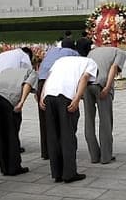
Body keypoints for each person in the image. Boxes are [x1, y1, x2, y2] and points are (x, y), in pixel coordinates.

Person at [39, 55, 97, 183]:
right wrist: (77, 98)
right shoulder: (90, 62)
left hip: (49, 96)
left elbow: (49, 77)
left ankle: (57, 173)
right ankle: (69, 173)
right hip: (66, 97)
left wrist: (42, 95)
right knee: (68, 136)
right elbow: (84, 78)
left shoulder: (60, 60)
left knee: (53, 136)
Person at [0, 55, 37, 176]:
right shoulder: (31, 72)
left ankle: (4, 167)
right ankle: (14, 167)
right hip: (9, 102)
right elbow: (27, 85)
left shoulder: (6, 71)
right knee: (11, 133)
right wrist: (21, 102)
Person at [85, 45, 126, 164]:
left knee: (89, 120)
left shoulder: (92, 51)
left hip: (86, 84)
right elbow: (114, 67)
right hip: (101, 84)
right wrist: (107, 87)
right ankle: (105, 156)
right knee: (105, 121)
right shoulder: (120, 52)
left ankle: (94, 156)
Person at [36, 46, 79, 159]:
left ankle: (47, 151)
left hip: (41, 83)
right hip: (58, 84)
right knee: (64, 119)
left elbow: (41, 69)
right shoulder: (74, 53)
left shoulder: (51, 51)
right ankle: (63, 149)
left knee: (45, 120)